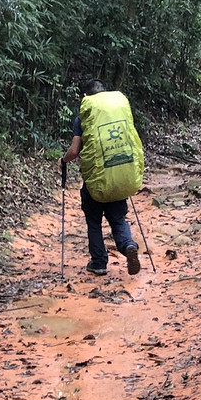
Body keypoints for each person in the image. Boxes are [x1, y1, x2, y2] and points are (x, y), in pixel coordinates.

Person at [62, 79, 144, 277]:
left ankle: (99, 263)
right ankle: (128, 246)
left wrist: (63, 161)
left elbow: (74, 151)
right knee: (117, 219)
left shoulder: (83, 118)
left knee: (94, 221)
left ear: (85, 97)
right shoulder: (120, 112)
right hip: (119, 176)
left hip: (96, 183)